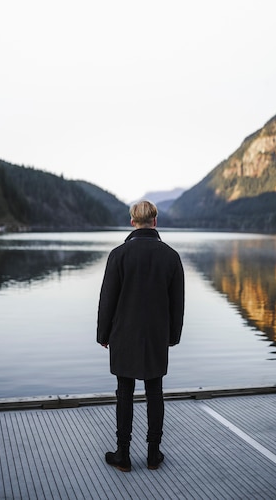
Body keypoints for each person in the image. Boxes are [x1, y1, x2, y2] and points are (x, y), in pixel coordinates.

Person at [97, 200, 185, 472]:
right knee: (154, 392)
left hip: (123, 334)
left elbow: (107, 299)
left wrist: (103, 334)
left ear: (132, 222)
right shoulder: (171, 256)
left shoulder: (118, 255)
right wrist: (173, 336)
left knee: (124, 393)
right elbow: (177, 303)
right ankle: (153, 454)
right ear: (155, 222)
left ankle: (123, 454)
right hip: (156, 335)